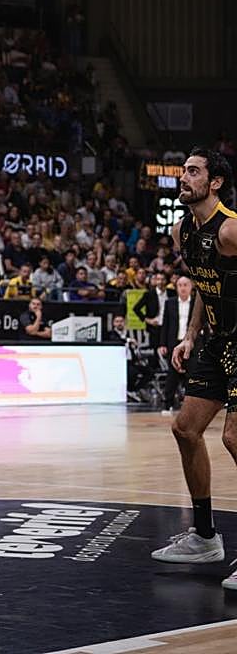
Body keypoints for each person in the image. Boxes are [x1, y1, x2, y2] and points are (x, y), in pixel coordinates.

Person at [151, 148, 237, 592]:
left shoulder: (231, 230)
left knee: (233, 437)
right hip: (216, 340)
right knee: (186, 429)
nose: (184, 177)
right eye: (183, 171)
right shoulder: (182, 230)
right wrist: (189, 335)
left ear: (215, 182)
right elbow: (206, 283)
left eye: (194, 171)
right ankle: (205, 537)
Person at [158, 276, 195, 412]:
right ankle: (167, 404)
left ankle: (191, 406)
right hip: (174, 343)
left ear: (191, 287)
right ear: (176, 287)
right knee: (172, 375)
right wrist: (162, 344)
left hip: (191, 345)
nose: (183, 288)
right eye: (180, 285)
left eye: (185, 285)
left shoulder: (196, 304)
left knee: (192, 375)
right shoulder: (170, 303)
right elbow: (165, 325)